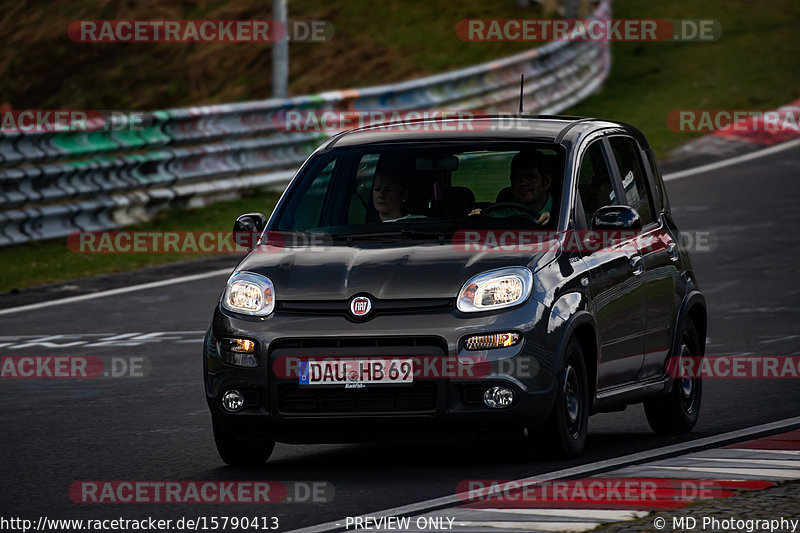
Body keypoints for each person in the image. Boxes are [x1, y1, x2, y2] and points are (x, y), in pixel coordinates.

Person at [471, 151, 554, 225]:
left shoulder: (562, 211)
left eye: (531, 177)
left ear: (547, 182)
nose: (523, 183)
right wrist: (476, 220)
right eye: (517, 177)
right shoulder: (495, 215)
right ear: (511, 180)